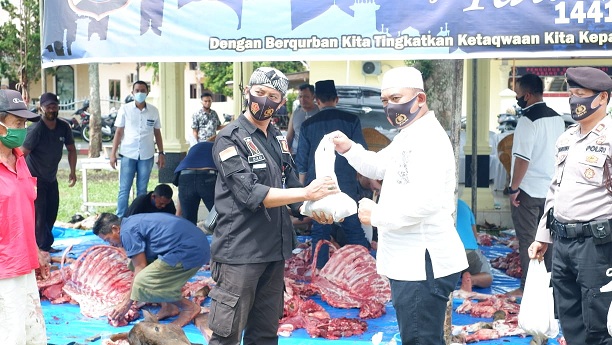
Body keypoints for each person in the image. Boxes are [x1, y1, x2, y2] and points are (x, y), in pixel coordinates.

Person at [331, 66, 468, 345]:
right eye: (385, 101)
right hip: (408, 262)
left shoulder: (428, 139)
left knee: (419, 339)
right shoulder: (409, 134)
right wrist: (348, 148)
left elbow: (427, 202)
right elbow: (379, 165)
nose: (390, 107)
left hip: (422, 263)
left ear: (420, 98)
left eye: (396, 98)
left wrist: (377, 214)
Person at [208, 67, 339, 345]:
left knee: (265, 334)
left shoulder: (278, 137)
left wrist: (314, 209)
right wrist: (304, 191)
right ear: (247, 92)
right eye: (259, 93)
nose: (264, 100)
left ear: (281, 102)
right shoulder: (229, 138)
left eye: (273, 96)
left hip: (274, 252)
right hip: (240, 253)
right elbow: (249, 193)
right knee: (227, 336)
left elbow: (289, 186)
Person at [529, 67, 612, 345]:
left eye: (581, 95)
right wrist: (543, 236)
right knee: (569, 317)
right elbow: (555, 189)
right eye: (571, 94)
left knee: (598, 321)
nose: (574, 101)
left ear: (602, 98)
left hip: (597, 246)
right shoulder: (567, 138)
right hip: (563, 244)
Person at [296, 79, 371, 269]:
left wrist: (302, 193)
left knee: (320, 232)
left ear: (317, 100)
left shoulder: (308, 124)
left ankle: (319, 273)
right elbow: (361, 153)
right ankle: (365, 270)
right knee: (354, 230)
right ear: (336, 99)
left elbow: (302, 162)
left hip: (318, 186)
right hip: (345, 184)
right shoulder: (352, 120)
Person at [93, 212, 210, 327]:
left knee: (143, 282)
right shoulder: (129, 224)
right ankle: (168, 307)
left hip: (191, 251)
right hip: (195, 245)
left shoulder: (127, 232)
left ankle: (189, 308)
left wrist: (126, 303)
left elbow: (141, 268)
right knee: (132, 265)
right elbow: (137, 264)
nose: (111, 244)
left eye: (108, 239)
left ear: (115, 229)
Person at [506, 73, 565, 297]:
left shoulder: (527, 120)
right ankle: (549, 288)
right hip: (552, 190)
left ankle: (528, 289)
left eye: (518, 95)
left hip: (528, 191)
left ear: (527, 95)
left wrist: (513, 189)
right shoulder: (557, 118)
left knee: (528, 241)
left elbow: (522, 159)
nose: (518, 98)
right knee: (549, 240)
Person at [0, 89, 50, 345]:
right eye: (17, 123)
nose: (22, 130)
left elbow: (23, 213)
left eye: (23, 124)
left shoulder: (19, 160)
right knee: (10, 335)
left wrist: (36, 252)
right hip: (4, 271)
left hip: (24, 265)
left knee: (32, 334)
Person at [22, 92, 78, 253]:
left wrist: (73, 171)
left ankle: (45, 244)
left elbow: (72, 150)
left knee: (52, 210)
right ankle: (41, 248)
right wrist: (22, 178)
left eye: (54, 106)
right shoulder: (36, 129)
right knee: (39, 214)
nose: (52, 109)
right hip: (35, 178)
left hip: (51, 177)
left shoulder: (63, 127)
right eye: (48, 106)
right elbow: (22, 153)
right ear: (41, 108)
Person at [110, 81, 165, 218]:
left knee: (142, 189)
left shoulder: (153, 111)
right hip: (128, 154)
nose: (140, 93)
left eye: (143, 90)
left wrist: (161, 153)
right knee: (124, 189)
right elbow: (118, 132)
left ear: (147, 92)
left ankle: (139, 217)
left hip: (147, 155)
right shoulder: (125, 109)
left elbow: (157, 133)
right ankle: (121, 218)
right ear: (132, 92)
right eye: (137, 90)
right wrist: (113, 154)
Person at [174, 136, 217, 225]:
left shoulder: (197, 146)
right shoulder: (221, 146)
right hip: (208, 176)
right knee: (218, 217)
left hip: (185, 176)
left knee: (188, 222)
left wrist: (178, 213)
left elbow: (181, 191)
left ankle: (189, 237)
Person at [456, 199, 492, 290]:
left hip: (444, 253)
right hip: (469, 250)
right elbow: (475, 236)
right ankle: (472, 279)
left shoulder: (432, 204)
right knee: (487, 276)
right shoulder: (463, 205)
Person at [285, 83, 319, 156]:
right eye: (300, 96)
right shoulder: (295, 113)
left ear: (313, 97)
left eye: (306, 96)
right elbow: (289, 137)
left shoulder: (320, 113)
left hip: (314, 156)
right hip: (296, 155)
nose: (302, 99)